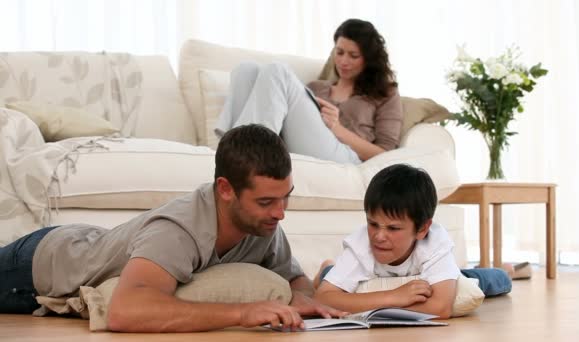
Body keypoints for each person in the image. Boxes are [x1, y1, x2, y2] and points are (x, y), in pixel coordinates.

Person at [0, 124, 345, 332]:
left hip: (88, 242)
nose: (280, 213)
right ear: (225, 189)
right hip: (37, 266)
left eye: (285, 198)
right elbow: (125, 312)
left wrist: (301, 297)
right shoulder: (179, 229)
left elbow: (295, 278)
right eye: (266, 202)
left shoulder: (264, 227)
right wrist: (243, 312)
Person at [312, 164, 512, 319]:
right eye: (372, 224)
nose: (378, 236)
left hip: (433, 274)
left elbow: (441, 308)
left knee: (496, 279)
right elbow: (322, 298)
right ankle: (328, 268)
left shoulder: (435, 242)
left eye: (393, 228)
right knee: (329, 277)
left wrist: (373, 304)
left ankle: (508, 270)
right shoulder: (361, 244)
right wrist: (393, 297)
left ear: (422, 229)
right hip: (372, 279)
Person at [215, 18, 403, 164]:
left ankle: (249, 152)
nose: (344, 62)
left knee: (277, 70)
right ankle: (231, 148)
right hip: (297, 146)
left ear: (368, 59)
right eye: (339, 53)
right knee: (246, 69)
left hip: (347, 157)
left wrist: (337, 128)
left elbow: (384, 154)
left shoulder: (385, 94)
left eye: (353, 55)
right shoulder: (316, 87)